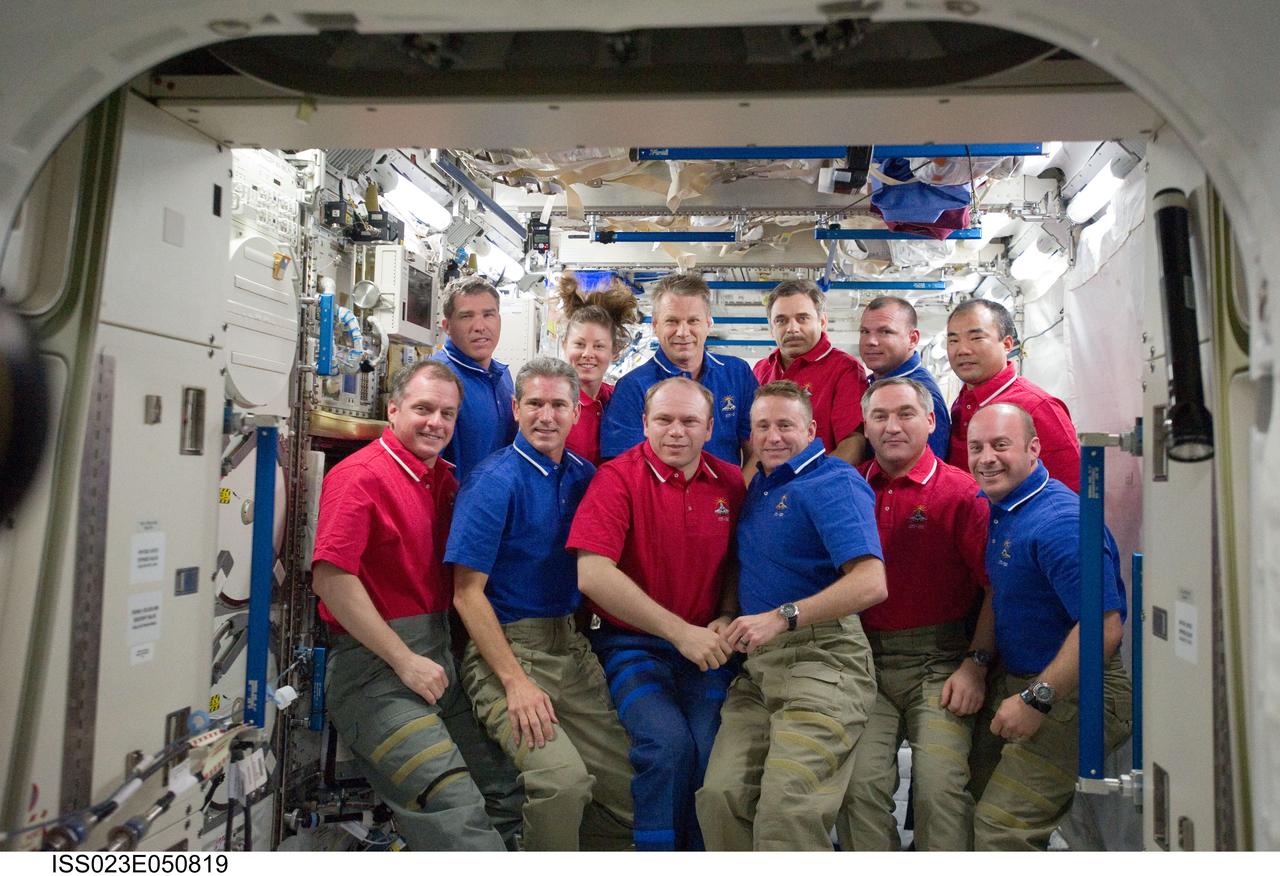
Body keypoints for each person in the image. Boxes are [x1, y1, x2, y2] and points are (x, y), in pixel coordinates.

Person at [311, 359, 522, 851]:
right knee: (456, 812)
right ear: (392, 409)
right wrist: (404, 660)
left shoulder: (443, 481)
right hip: (375, 674)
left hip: (437, 663)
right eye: (423, 409)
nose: (436, 423)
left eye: (447, 414)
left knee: (507, 791)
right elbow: (331, 578)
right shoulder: (360, 477)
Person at [446, 357, 634, 851]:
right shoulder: (493, 482)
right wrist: (515, 683)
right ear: (515, 408)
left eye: (558, 405)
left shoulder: (584, 476)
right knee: (562, 784)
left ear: (577, 412)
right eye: (534, 404)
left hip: (569, 647)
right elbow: (466, 594)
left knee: (631, 791)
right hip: (506, 652)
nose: (545, 416)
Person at [696, 380, 886, 851]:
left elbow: (870, 582)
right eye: (762, 426)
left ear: (812, 429)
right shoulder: (760, 485)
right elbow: (749, 560)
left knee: (787, 811)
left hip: (825, 662)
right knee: (719, 797)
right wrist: (726, 612)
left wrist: (783, 617)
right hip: (759, 670)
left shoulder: (833, 483)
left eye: (785, 425)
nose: (773, 436)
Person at [568, 377, 747, 851]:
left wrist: (727, 613)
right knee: (667, 747)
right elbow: (593, 575)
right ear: (644, 423)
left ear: (710, 428)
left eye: (690, 421)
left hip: (707, 647)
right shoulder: (616, 479)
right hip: (630, 644)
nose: (676, 432)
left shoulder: (730, 482)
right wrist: (678, 632)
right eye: (664, 420)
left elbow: (736, 560)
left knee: (712, 748)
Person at [965, 403, 1132, 851]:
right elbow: (1003, 595)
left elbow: (1104, 629)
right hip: (1023, 678)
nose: (986, 458)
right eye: (976, 447)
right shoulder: (1007, 508)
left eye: (1001, 445)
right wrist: (977, 663)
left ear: (1034, 448)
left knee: (1002, 827)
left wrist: (1035, 701)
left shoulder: (1058, 523)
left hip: (1078, 690)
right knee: (966, 789)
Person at [837, 377, 993, 851]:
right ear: (865, 426)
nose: (892, 426)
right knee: (858, 786)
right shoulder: (847, 488)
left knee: (939, 785)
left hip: (940, 662)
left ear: (930, 421)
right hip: (862, 663)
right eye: (880, 416)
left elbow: (997, 590)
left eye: (905, 414)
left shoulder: (962, 494)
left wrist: (976, 665)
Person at [599, 273, 758, 465]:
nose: (683, 332)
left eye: (693, 321)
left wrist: (738, 493)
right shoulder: (632, 387)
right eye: (672, 321)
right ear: (655, 326)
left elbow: (756, 452)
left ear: (708, 324)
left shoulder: (737, 374)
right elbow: (623, 466)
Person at [945, 299, 1081, 490]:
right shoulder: (962, 403)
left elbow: (1071, 490)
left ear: (1007, 344)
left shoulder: (1037, 407)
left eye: (976, 338)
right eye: (953, 340)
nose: (962, 350)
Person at [752, 278, 869, 465]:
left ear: (822, 322)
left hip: (819, 489)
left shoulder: (845, 369)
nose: (792, 328)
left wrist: (812, 485)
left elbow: (853, 443)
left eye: (802, 318)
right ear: (771, 328)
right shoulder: (761, 370)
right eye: (781, 320)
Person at [431, 274, 517, 482]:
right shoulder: (436, 378)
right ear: (447, 326)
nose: (479, 326)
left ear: (499, 320)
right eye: (466, 316)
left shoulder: (503, 375)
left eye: (488, 315)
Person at [557, 271, 642, 464]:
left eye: (599, 346)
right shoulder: (554, 404)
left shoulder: (618, 399)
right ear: (564, 345)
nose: (588, 354)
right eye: (579, 344)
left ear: (615, 351)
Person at [859, 295, 951, 459]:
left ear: (913, 339)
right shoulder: (876, 384)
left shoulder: (921, 394)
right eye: (865, 332)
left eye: (885, 332)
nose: (871, 341)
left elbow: (925, 475)